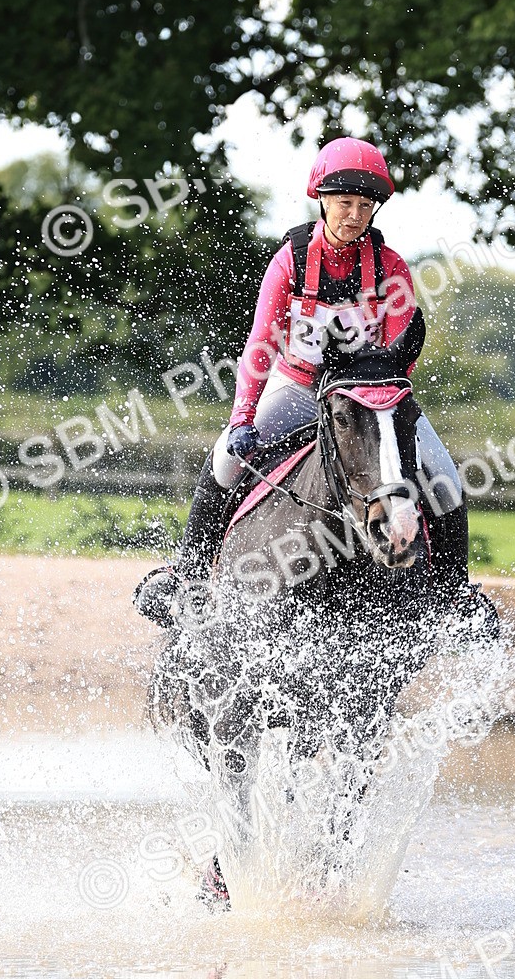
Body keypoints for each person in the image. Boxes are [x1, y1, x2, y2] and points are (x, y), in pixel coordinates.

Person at [135, 136, 470, 625]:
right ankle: (189, 575)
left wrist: (379, 403)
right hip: (297, 385)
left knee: (445, 476)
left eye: (364, 205)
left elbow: (400, 356)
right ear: (322, 200)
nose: (354, 215)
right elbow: (260, 345)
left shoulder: (392, 267)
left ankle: (455, 595)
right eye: (344, 203)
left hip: (369, 396)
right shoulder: (290, 260)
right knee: (227, 457)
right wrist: (243, 418)